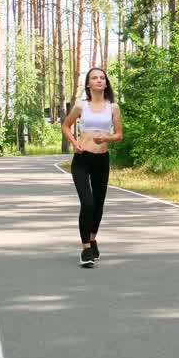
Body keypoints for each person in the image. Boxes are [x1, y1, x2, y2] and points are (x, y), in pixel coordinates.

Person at [61, 67, 123, 266]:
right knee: (87, 203)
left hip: (101, 160)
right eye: (94, 78)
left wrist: (106, 137)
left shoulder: (112, 107)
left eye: (102, 78)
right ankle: (86, 248)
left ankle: (93, 237)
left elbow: (119, 135)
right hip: (82, 160)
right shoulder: (81, 105)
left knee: (98, 204)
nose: (98, 80)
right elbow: (65, 125)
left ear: (106, 83)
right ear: (88, 84)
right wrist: (74, 142)